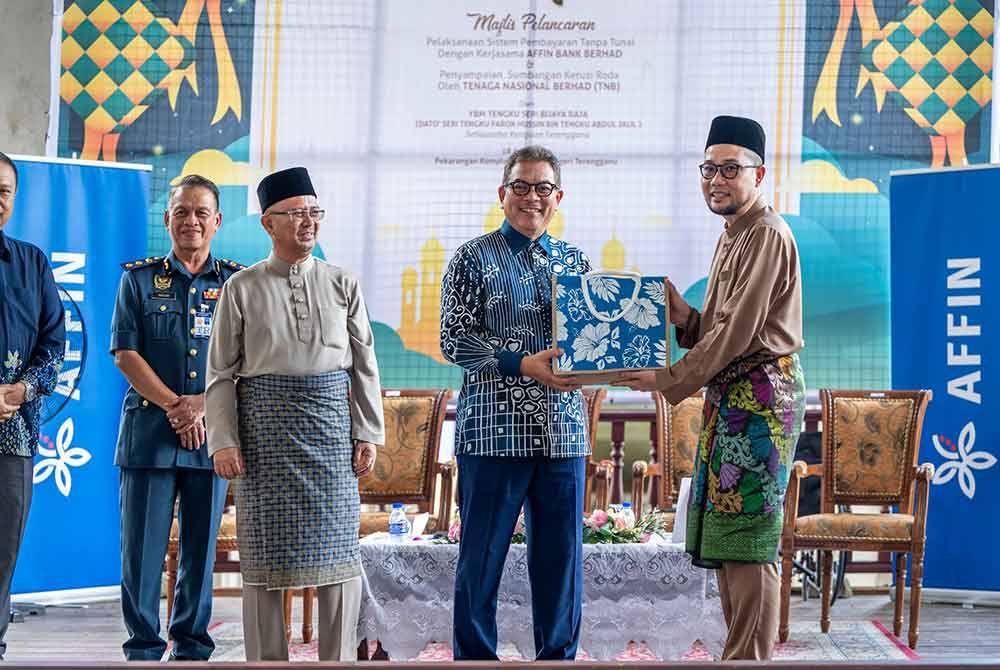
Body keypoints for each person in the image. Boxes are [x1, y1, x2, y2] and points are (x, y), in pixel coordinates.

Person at [618, 115, 805, 660]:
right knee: (727, 537)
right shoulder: (735, 233)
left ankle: (748, 660)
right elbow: (726, 329)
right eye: (708, 169)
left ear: (759, 173)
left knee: (748, 539)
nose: (716, 179)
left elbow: (743, 335)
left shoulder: (766, 232)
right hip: (734, 396)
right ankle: (741, 655)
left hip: (759, 400)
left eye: (730, 168)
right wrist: (685, 318)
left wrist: (669, 378)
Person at [205, 167, 384, 662]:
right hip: (264, 438)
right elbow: (220, 372)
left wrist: (366, 430)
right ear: (269, 223)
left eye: (314, 212)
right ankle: (266, 664)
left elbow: (365, 364)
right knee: (264, 564)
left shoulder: (343, 282)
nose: (309, 222)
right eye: (297, 214)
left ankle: (337, 661)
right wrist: (224, 440)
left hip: (331, 435)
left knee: (339, 565)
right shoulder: (241, 287)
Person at [440, 145, 591, 661]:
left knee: (562, 563)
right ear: (502, 195)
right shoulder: (471, 257)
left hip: (563, 433)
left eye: (543, 187)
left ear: (558, 197)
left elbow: (590, 343)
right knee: (480, 563)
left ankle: (557, 659)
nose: (532, 197)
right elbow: (453, 340)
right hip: (491, 433)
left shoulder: (576, 262)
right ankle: (477, 660)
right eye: (521, 186)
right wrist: (521, 363)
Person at [110, 174, 242, 661]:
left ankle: (191, 645)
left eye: (201, 213)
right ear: (167, 219)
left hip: (212, 437)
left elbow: (245, 359)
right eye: (181, 212)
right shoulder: (138, 280)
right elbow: (125, 352)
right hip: (150, 434)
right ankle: (143, 646)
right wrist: (176, 404)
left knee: (199, 552)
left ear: (217, 221)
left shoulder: (235, 282)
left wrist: (202, 405)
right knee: (142, 556)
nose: (191, 221)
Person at [0, 151, 66, 661]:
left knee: (2, 552)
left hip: (13, 432)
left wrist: (21, 390)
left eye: (4, 191)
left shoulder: (32, 261)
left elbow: (55, 345)